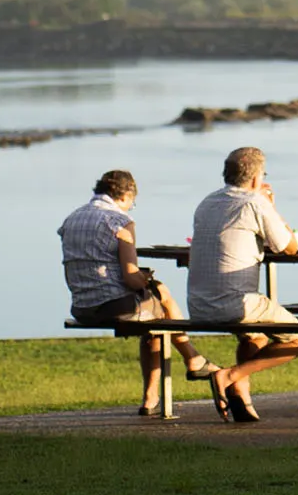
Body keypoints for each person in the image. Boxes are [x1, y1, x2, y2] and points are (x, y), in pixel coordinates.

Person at [58, 169, 212, 414]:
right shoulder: (119, 221)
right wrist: (145, 279)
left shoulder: (71, 219)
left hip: (81, 307)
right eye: (133, 203)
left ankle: (153, 397)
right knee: (161, 296)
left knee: (154, 312)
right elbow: (131, 277)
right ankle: (192, 358)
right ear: (126, 195)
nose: (131, 208)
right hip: (113, 306)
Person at [189, 146, 298, 424]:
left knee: (254, 336)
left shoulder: (206, 203)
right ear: (256, 179)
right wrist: (272, 207)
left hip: (198, 304)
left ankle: (241, 395)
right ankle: (229, 375)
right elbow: (289, 247)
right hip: (236, 304)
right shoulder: (255, 203)